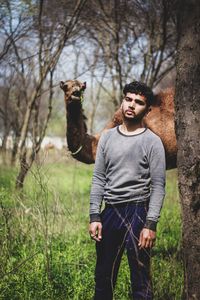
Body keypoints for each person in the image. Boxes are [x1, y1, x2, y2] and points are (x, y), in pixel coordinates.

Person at [89, 81, 166, 300]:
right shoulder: (107, 137)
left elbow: (159, 185)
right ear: (122, 101)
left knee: (140, 281)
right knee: (104, 278)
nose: (132, 105)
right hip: (110, 211)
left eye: (139, 102)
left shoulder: (153, 142)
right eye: (128, 99)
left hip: (138, 213)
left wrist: (150, 224)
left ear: (147, 109)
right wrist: (95, 215)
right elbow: (98, 178)